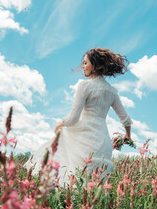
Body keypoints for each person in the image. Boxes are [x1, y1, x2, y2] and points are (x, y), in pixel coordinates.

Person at [24, 47, 132, 186]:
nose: (82, 66)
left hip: (83, 136)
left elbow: (73, 118)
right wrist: (127, 135)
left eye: (86, 63)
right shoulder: (111, 91)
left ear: (95, 65)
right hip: (103, 141)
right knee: (93, 184)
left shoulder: (85, 85)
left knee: (59, 158)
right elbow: (125, 118)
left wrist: (60, 123)